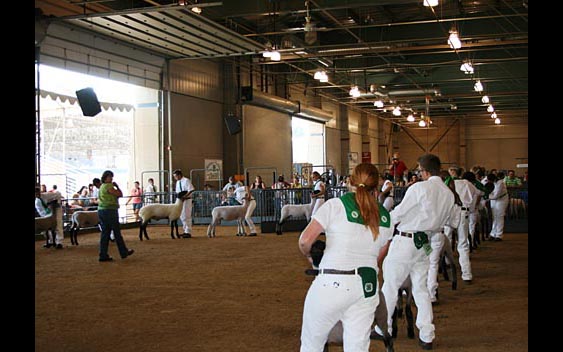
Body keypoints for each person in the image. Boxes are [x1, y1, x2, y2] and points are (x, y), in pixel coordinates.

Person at [298, 163, 393, 352]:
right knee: (357, 347)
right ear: (377, 186)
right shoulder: (385, 218)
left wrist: (310, 256)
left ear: (350, 181)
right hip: (366, 286)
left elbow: (304, 241)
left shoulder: (335, 205)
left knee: (312, 344)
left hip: (331, 283)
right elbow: (380, 256)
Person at [373, 154, 457, 350]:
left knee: (391, 286)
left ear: (425, 171)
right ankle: (427, 334)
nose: (419, 174)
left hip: (405, 241)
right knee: (421, 289)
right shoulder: (448, 194)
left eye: (419, 170)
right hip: (424, 244)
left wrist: (379, 223)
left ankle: (383, 328)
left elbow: (398, 213)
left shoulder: (419, 188)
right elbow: (453, 221)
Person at [97, 170, 134, 262]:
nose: (111, 178)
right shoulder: (109, 186)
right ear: (106, 177)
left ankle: (103, 254)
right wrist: (117, 187)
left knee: (105, 233)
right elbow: (119, 194)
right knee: (116, 232)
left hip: (102, 210)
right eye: (110, 177)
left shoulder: (101, 186)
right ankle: (123, 251)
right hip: (110, 211)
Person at [173, 169, 195, 238]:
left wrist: (185, 196)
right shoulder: (178, 182)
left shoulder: (186, 180)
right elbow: (177, 192)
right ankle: (185, 230)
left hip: (187, 200)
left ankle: (188, 231)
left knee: (187, 215)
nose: (175, 178)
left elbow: (191, 189)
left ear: (179, 175)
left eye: (175, 176)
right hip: (181, 201)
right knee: (182, 215)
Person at [487, 172, 509, 241]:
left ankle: (499, 235)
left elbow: (496, 196)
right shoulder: (490, 182)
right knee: (494, 217)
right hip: (493, 200)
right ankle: (493, 234)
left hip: (502, 200)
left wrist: (486, 196)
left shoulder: (500, 183)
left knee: (499, 216)